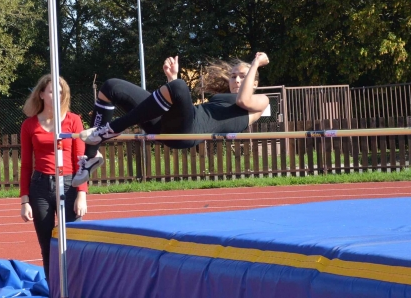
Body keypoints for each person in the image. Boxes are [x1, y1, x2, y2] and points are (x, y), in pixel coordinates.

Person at [72, 52, 270, 186]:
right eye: (233, 76)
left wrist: (255, 64)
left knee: (180, 87)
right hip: (167, 127)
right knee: (111, 86)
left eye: (242, 77)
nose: (236, 80)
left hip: (189, 132)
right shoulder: (222, 98)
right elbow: (176, 107)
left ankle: (110, 129)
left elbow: (244, 98)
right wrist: (171, 79)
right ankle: (90, 158)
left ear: (254, 81)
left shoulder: (260, 100)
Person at [19, 74, 88, 283]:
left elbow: (81, 161)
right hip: (40, 187)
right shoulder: (29, 125)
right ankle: (54, 291)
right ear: (41, 94)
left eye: (60, 91)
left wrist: (82, 194)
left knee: (73, 244)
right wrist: (24, 201)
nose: (56, 95)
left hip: (69, 185)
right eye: (51, 91)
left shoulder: (73, 120)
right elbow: (26, 166)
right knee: (48, 247)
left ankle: (75, 289)